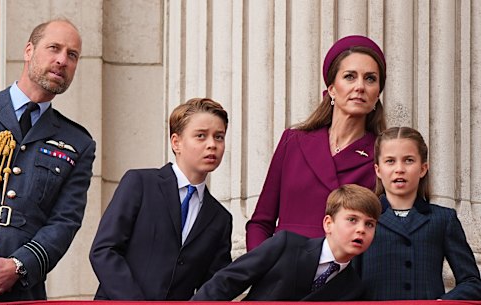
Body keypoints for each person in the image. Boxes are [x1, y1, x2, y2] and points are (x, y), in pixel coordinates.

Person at [0, 19, 95, 301]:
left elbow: (65, 222)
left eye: (72, 55)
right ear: (28, 50)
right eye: (54, 48)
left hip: (19, 290)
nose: (62, 60)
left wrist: (17, 267)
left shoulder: (78, 143)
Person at [246, 35, 388, 251]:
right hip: (282, 274)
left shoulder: (383, 156)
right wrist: (262, 270)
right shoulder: (293, 141)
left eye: (370, 79)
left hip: (343, 277)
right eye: (350, 77)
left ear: (377, 93)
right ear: (331, 88)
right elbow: (260, 223)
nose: (360, 86)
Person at [89, 98, 232, 300]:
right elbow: (104, 250)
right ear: (176, 142)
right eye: (201, 136)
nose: (212, 145)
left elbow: (214, 285)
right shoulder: (140, 183)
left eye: (219, 137)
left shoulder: (220, 218)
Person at [191, 184, 381, 301]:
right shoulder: (286, 245)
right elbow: (227, 281)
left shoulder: (354, 289)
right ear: (328, 223)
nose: (361, 229)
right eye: (352, 220)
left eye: (370, 224)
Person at [358, 126, 481, 300]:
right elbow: (348, 282)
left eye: (408, 160)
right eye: (390, 161)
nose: (399, 169)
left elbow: (472, 281)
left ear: (423, 168)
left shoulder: (443, 219)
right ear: (378, 170)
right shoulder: (363, 218)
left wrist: (441, 304)